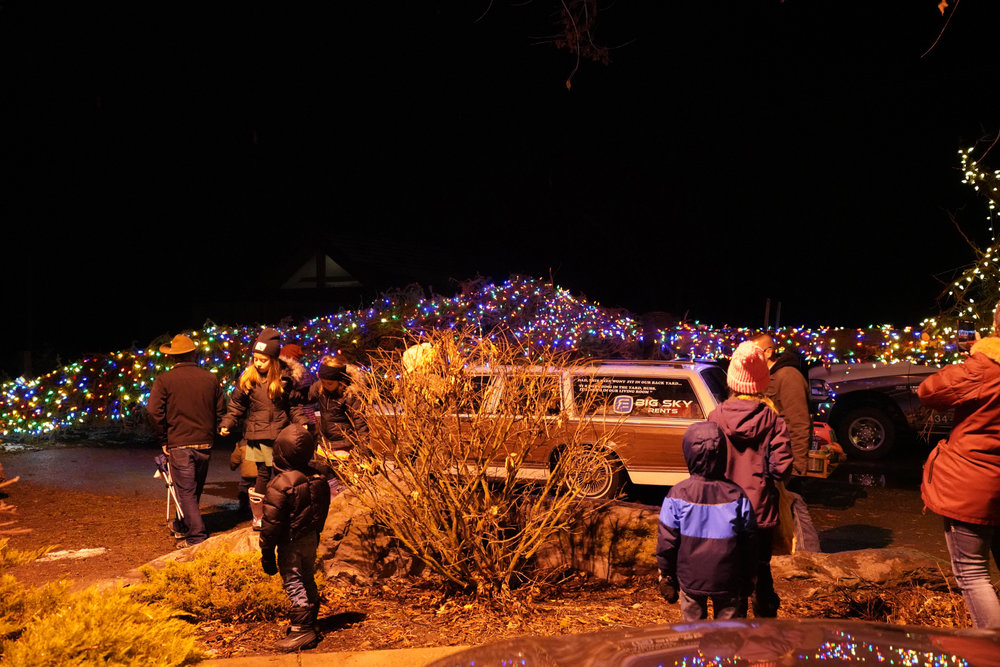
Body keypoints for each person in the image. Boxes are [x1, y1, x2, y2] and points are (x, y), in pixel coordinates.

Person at [917, 311, 1000, 629]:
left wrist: (981, 352)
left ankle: (991, 654)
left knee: (973, 573)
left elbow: (930, 391)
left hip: (975, 484)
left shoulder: (986, 366)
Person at [708, 340, 794, 617]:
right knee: (761, 569)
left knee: (729, 573)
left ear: (732, 381)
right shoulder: (774, 420)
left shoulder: (715, 417)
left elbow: (705, 464)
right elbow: (781, 468)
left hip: (723, 513)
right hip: (760, 513)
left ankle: (733, 636)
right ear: (761, 383)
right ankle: (765, 640)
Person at [656, 420, 757, 621]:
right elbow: (750, 540)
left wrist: (666, 574)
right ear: (723, 453)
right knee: (727, 634)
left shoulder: (678, 494)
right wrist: (749, 575)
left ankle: (697, 652)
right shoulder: (736, 494)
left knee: (693, 633)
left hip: (690, 576)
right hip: (729, 577)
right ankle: (724, 653)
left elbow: (666, 541)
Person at [219, 328, 309, 530]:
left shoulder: (284, 379)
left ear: (273, 359)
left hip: (280, 434)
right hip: (258, 435)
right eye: (256, 359)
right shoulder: (249, 379)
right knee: (262, 474)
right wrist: (227, 423)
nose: (258, 363)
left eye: (263, 360)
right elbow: (236, 406)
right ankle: (258, 517)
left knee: (282, 474)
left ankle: (280, 513)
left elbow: (292, 406)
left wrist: (301, 421)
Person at [146, 333, 225, 547]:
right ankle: (183, 525)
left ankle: (196, 537)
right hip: (205, 442)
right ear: (193, 354)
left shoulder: (164, 380)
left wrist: (164, 437)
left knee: (186, 491)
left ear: (173, 357)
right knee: (193, 489)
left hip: (179, 442)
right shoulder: (210, 378)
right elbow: (221, 409)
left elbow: (153, 411)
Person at [259, 424, 331, 652]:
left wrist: (267, 552)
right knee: (307, 576)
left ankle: (302, 630)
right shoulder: (318, 478)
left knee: (293, 581)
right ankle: (311, 620)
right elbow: (322, 510)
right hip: (310, 537)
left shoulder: (280, 485)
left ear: (280, 454)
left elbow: (271, 524)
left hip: (290, 542)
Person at [751, 332, 813, 479]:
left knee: (787, 501)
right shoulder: (764, 376)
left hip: (784, 462)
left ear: (769, 352)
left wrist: (797, 468)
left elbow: (799, 424)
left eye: (754, 352)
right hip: (768, 459)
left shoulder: (788, 376)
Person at [308, 354, 369, 485]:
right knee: (319, 483)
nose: (324, 385)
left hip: (345, 447)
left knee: (344, 485)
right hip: (325, 445)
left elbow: (360, 424)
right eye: (322, 381)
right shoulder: (321, 387)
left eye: (329, 383)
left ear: (340, 380)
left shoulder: (351, 396)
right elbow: (304, 399)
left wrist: (365, 454)